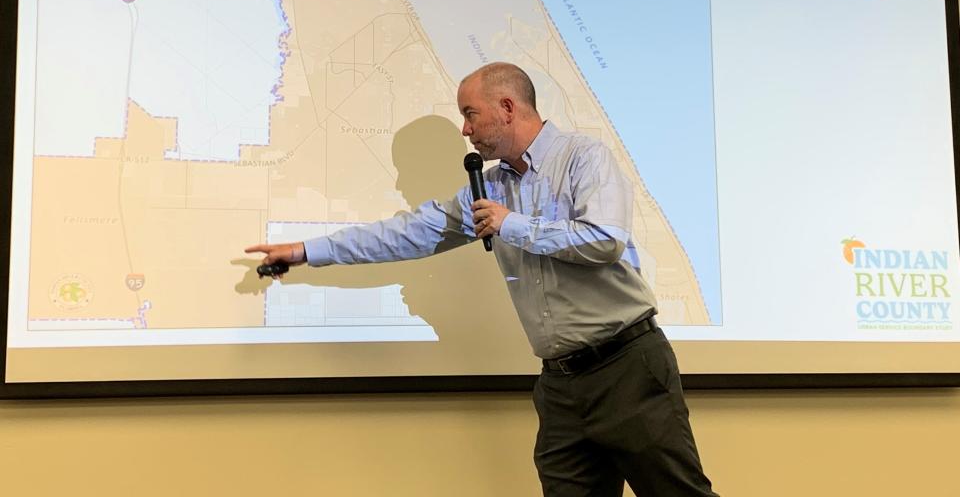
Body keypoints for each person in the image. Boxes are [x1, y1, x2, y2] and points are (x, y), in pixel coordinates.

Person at [246, 61, 718, 497]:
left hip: (627, 367)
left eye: (470, 115)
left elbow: (605, 239)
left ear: (507, 108)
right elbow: (408, 233)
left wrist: (511, 224)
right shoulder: (490, 186)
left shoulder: (583, 157)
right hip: (560, 384)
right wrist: (306, 251)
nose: (466, 130)